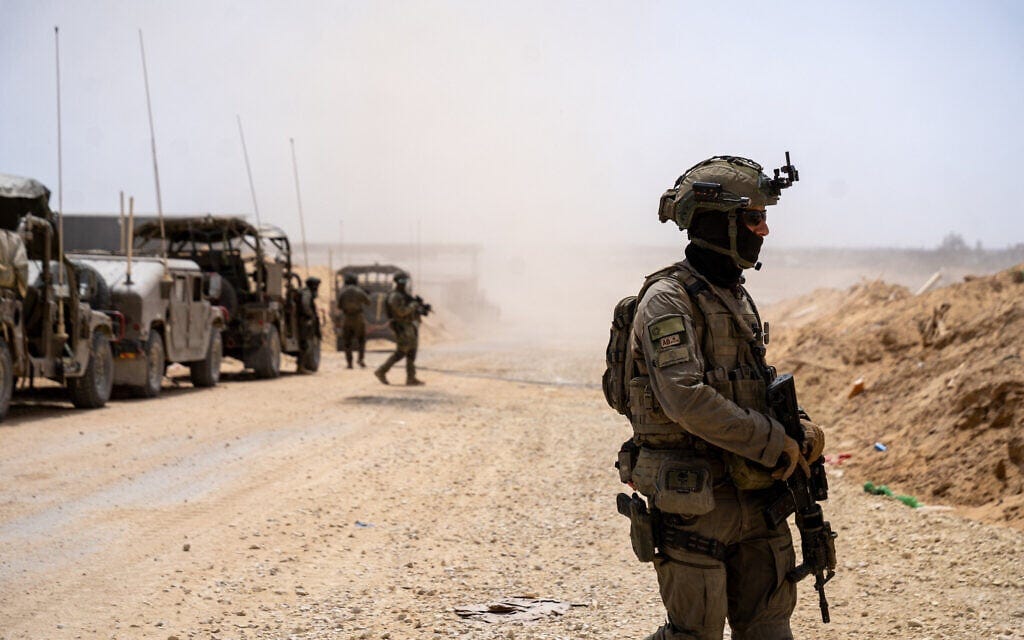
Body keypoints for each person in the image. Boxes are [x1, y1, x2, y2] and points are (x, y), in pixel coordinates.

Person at [623, 155, 825, 640]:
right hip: (698, 504)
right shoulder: (668, 299)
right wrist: (776, 442)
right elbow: (684, 398)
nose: (765, 230)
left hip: (757, 499)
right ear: (720, 222)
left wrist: (800, 427)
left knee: (770, 631)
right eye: (754, 218)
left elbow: (751, 385)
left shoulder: (734, 295)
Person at [374, 273, 428, 386]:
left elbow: (410, 309)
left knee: (412, 352)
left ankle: (411, 378)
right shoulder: (395, 296)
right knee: (401, 352)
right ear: (397, 282)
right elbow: (401, 312)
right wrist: (413, 305)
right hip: (402, 326)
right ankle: (381, 371)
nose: (403, 284)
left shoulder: (403, 295)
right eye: (402, 282)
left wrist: (420, 309)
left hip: (409, 326)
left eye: (405, 281)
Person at [336, 273, 371, 368]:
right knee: (361, 340)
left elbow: (339, 306)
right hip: (358, 318)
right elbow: (368, 302)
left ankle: (349, 363)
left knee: (347, 341)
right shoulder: (359, 291)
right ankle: (360, 359)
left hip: (347, 318)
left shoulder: (342, 292)